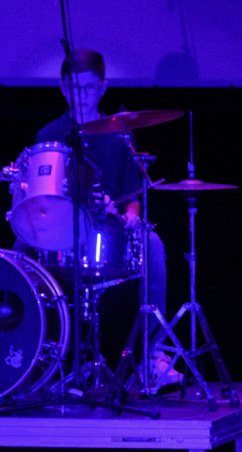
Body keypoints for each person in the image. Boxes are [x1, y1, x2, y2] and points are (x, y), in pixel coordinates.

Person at [10, 47, 176, 385]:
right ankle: (23, 353)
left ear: (102, 87)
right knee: (18, 249)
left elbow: (132, 197)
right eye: (73, 87)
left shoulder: (120, 134)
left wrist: (130, 215)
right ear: (62, 88)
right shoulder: (49, 135)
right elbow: (41, 196)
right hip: (62, 228)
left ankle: (153, 355)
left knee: (153, 244)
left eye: (88, 87)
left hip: (108, 230)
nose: (80, 95)